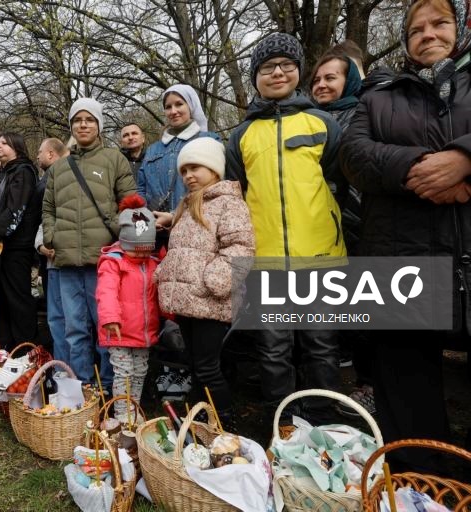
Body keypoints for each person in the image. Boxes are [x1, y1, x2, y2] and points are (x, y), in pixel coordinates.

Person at [340, 0, 471, 471]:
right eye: (416, 28)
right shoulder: (379, 96)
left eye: (440, 23)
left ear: (460, 28)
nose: (428, 34)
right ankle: (425, 490)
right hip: (400, 260)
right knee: (408, 400)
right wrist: (418, 168)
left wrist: (463, 159)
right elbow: (353, 154)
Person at [225, 32, 346, 429]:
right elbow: (237, 192)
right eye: (267, 67)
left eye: (286, 65)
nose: (277, 72)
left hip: (321, 258)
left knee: (321, 347)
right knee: (273, 350)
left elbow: (340, 181)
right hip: (266, 260)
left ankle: (326, 423)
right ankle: (284, 424)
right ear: (256, 76)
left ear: (299, 72)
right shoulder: (241, 135)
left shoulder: (324, 123)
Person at [155, 137, 255, 430]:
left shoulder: (229, 204)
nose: (188, 175)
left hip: (210, 300)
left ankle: (225, 424)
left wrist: (214, 279)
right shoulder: (187, 205)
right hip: (187, 300)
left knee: (208, 367)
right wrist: (164, 272)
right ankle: (202, 420)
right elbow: (183, 249)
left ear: (214, 169)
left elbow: (241, 247)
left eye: (195, 167)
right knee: (197, 364)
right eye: (184, 170)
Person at [42, 97, 136, 392]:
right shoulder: (58, 169)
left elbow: (131, 202)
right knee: (74, 331)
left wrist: (121, 238)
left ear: (98, 125)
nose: (83, 125)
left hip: (104, 262)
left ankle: (109, 386)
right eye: (77, 120)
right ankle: (83, 388)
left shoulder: (113, 159)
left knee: (107, 330)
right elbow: (48, 209)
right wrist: (51, 236)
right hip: (67, 263)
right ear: (71, 126)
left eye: (89, 120)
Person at [310, 41, 377, 418]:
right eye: (317, 79)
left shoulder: (364, 112)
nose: (321, 85)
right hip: (321, 226)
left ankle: (369, 386)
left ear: (350, 79)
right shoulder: (311, 118)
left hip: (358, 223)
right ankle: (327, 388)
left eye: (330, 78)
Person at [96, 194, 161, 424]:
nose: (142, 255)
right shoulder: (113, 263)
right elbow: (106, 293)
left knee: (140, 373)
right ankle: (123, 413)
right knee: (123, 374)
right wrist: (111, 318)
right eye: (136, 250)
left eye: (146, 250)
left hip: (143, 334)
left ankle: (134, 409)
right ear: (124, 243)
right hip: (120, 332)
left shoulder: (152, 263)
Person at [0, 132, 40, 349]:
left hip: (17, 246)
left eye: (5, 143)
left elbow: (16, 209)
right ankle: (6, 350)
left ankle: (26, 351)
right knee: (2, 300)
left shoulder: (23, 172)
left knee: (18, 300)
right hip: (3, 245)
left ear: (18, 147)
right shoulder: (4, 173)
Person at [137, 84, 221, 221]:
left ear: (190, 106)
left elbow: (218, 188)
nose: (173, 111)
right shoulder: (153, 149)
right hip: (156, 230)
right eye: (168, 107)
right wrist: (146, 219)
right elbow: (141, 189)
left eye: (179, 104)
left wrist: (175, 217)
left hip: (196, 224)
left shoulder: (209, 139)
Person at [35, 138, 69, 357]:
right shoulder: (48, 182)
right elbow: (45, 217)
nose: (37, 156)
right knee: (56, 318)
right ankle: (61, 367)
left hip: (72, 259)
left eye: (39, 151)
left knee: (75, 320)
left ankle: (82, 375)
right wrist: (40, 245)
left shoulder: (65, 177)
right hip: (52, 262)